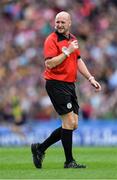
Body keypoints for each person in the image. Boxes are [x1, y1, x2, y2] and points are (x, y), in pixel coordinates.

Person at [31, 11, 101, 169]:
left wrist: (90, 78)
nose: (60, 25)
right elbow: (49, 64)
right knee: (68, 122)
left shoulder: (73, 40)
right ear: (54, 23)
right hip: (56, 84)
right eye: (57, 22)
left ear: (69, 23)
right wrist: (66, 52)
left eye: (63, 22)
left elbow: (78, 60)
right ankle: (69, 162)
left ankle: (40, 148)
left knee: (73, 124)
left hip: (69, 85)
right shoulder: (51, 40)